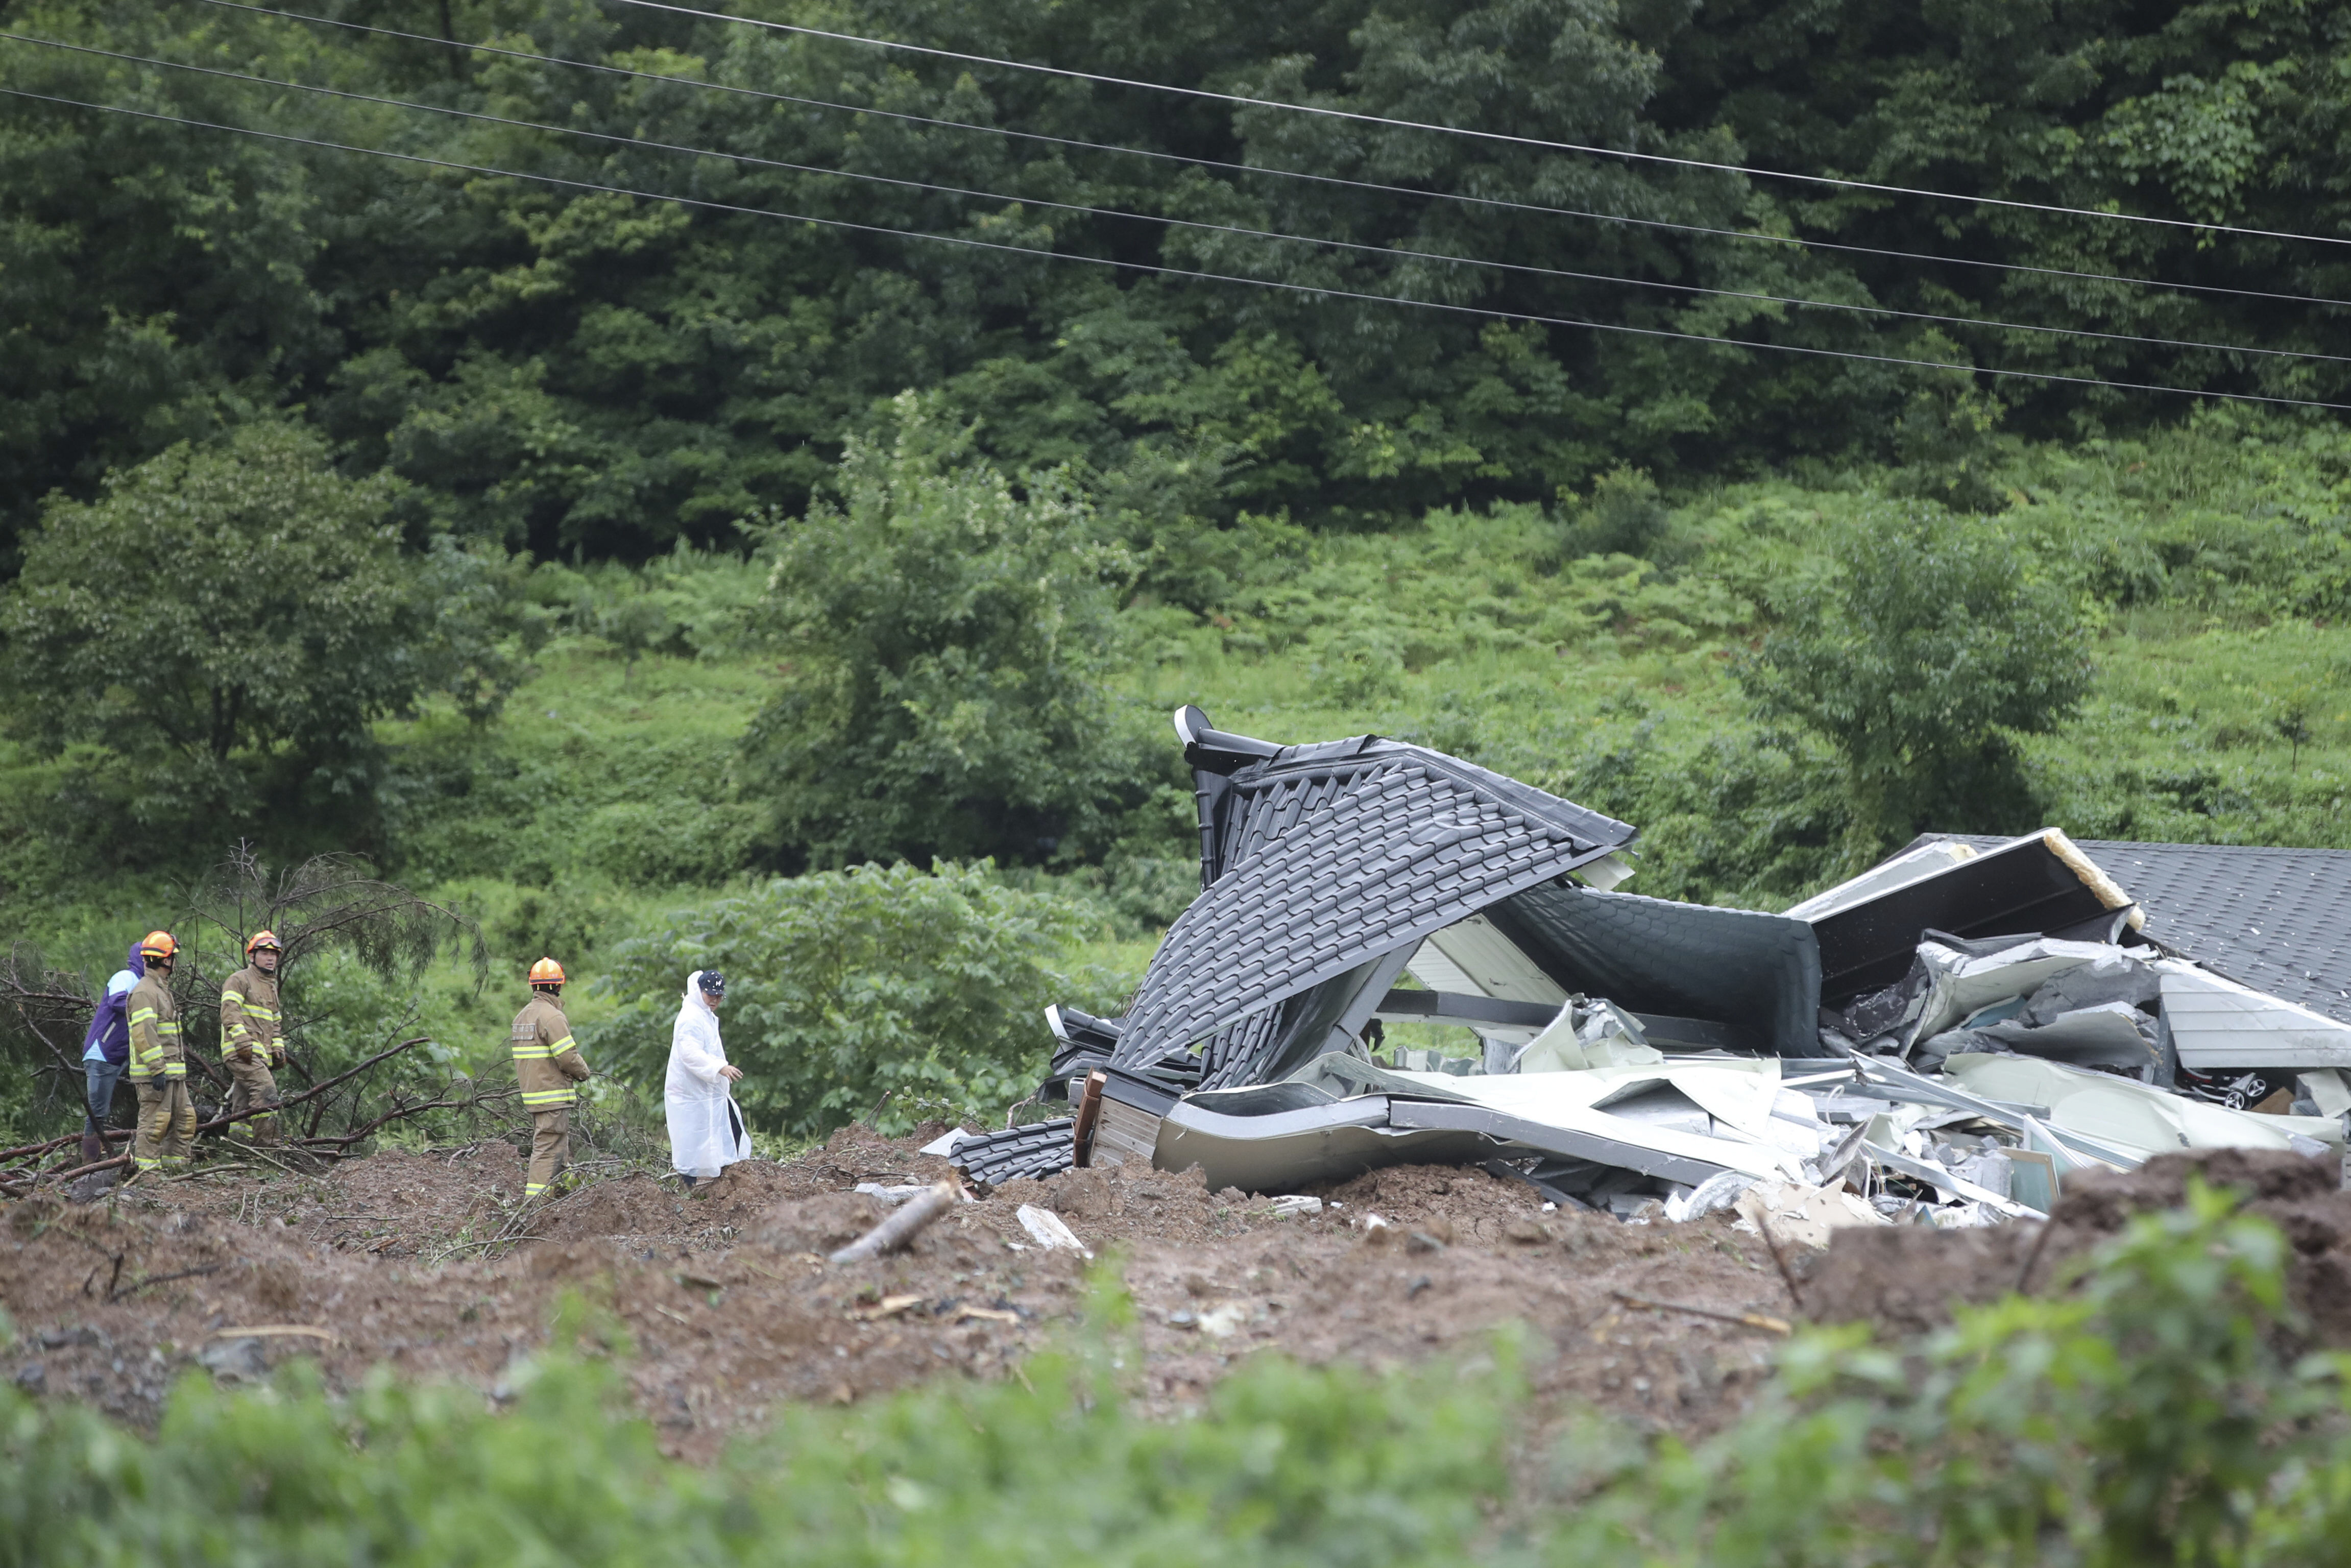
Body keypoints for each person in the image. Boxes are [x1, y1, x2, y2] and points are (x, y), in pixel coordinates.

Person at [510, 957, 590, 1199]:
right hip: (552, 1096)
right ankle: (535, 1205)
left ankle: (562, 1197)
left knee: (557, 1149)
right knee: (547, 1150)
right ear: (558, 986)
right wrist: (584, 1073)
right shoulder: (552, 1017)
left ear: (533, 985)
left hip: (534, 1095)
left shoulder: (522, 1017)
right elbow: (567, 1058)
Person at [665, 970, 749, 1190]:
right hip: (691, 1093)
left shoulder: (704, 1015)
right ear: (700, 991)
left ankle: (726, 1179)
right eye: (710, 994)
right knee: (691, 1141)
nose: (715, 1000)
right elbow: (690, 1053)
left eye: (719, 996)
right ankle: (688, 1188)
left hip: (707, 1092)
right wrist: (719, 1067)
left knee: (728, 1129)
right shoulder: (691, 1018)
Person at [126, 930, 192, 1175]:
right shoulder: (145, 992)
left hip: (173, 1073)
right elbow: (144, 1034)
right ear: (166, 960)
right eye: (173, 957)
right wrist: (157, 1069)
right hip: (156, 1074)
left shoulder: (161, 989)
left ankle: (177, 1169)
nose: (175, 961)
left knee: (185, 1121)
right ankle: (148, 1173)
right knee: (155, 1124)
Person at [77, 939, 144, 1167]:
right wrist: (149, 1006)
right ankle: (89, 1163)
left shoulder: (146, 983)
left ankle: (104, 1156)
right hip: (103, 1052)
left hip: (119, 1054)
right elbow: (118, 1002)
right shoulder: (125, 977)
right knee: (98, 1111)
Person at [218, 930, 287, 1145]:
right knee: (267, 1092)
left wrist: (278, 1049)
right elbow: (229, 1012)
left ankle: (238, 1146)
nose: (271, 958)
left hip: (259, 1055)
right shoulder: (239, 980)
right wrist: (242, 1043)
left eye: (274, 954)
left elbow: (274, 1022)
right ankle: (267, 1147)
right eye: (265, 953)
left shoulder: (270, 987)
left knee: (243, 1101)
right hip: (241, 1052)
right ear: (252, 955)